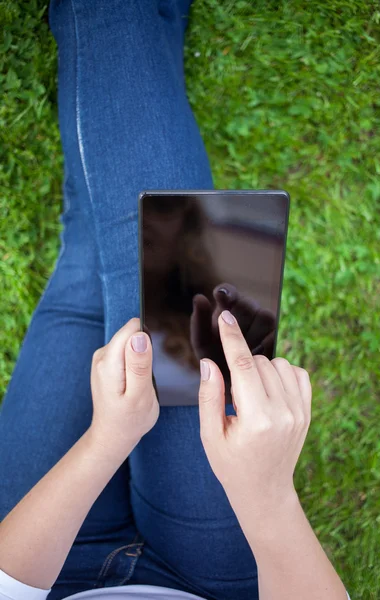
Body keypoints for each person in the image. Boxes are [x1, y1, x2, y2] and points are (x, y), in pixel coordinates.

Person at [0, 1, 351, 599]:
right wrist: (267, 495)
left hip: (43, 561)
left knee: (96, 269)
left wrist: (109, 438)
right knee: (159, 245)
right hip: (209, 583)